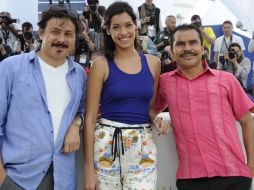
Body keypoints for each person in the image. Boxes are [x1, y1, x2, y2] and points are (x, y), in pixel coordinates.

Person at [156, 24, 254, 190]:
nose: (187, 48)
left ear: (202, 49)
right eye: (180, 44)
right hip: (190, 180)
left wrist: (251, 166)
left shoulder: (226, 80)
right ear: (172, 52)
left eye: (193, 43)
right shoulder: (165, 82)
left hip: (234, 176)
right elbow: (150, 109)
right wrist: (157, 118)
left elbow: (247, 122)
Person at [83, 2, 169, 190]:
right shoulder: (101, 64)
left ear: (136, 26)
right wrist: (88, 168)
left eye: (128, 25)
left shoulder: (154, 63)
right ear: (107, 31)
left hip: (143, 146)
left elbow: (150, 109)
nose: (123, 32)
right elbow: (89, 118)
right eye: (116, 27)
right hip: (106, 144)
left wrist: (159, 119)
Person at [0, 4, 86, 189]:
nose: (61, 39)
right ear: (41, 33)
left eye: (68, 34)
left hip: (63, 179)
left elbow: (81, 110)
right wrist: (2, 178)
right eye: (55, 31)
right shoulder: (10, 68)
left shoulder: (79, 74)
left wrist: (75, 124)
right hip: (17, 178)